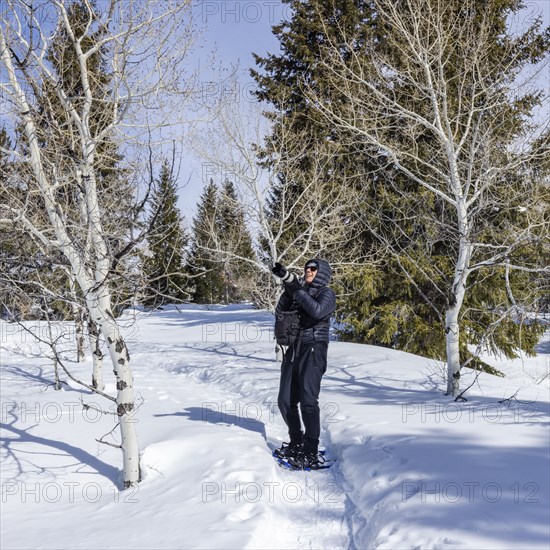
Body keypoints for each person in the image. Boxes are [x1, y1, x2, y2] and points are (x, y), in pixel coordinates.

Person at [271, 258, 336, 469]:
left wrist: (297, 289)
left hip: (314, 348)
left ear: (322, 272)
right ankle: (296, 441)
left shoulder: (326, 294)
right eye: (307, 268)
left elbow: (316, 311)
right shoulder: (300, 292)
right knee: (285, 400)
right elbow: (281, 312)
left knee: (308, 402)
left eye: (313, 268)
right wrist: (287, 284)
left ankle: (310, 451)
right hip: (294, 349)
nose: (308, 270)